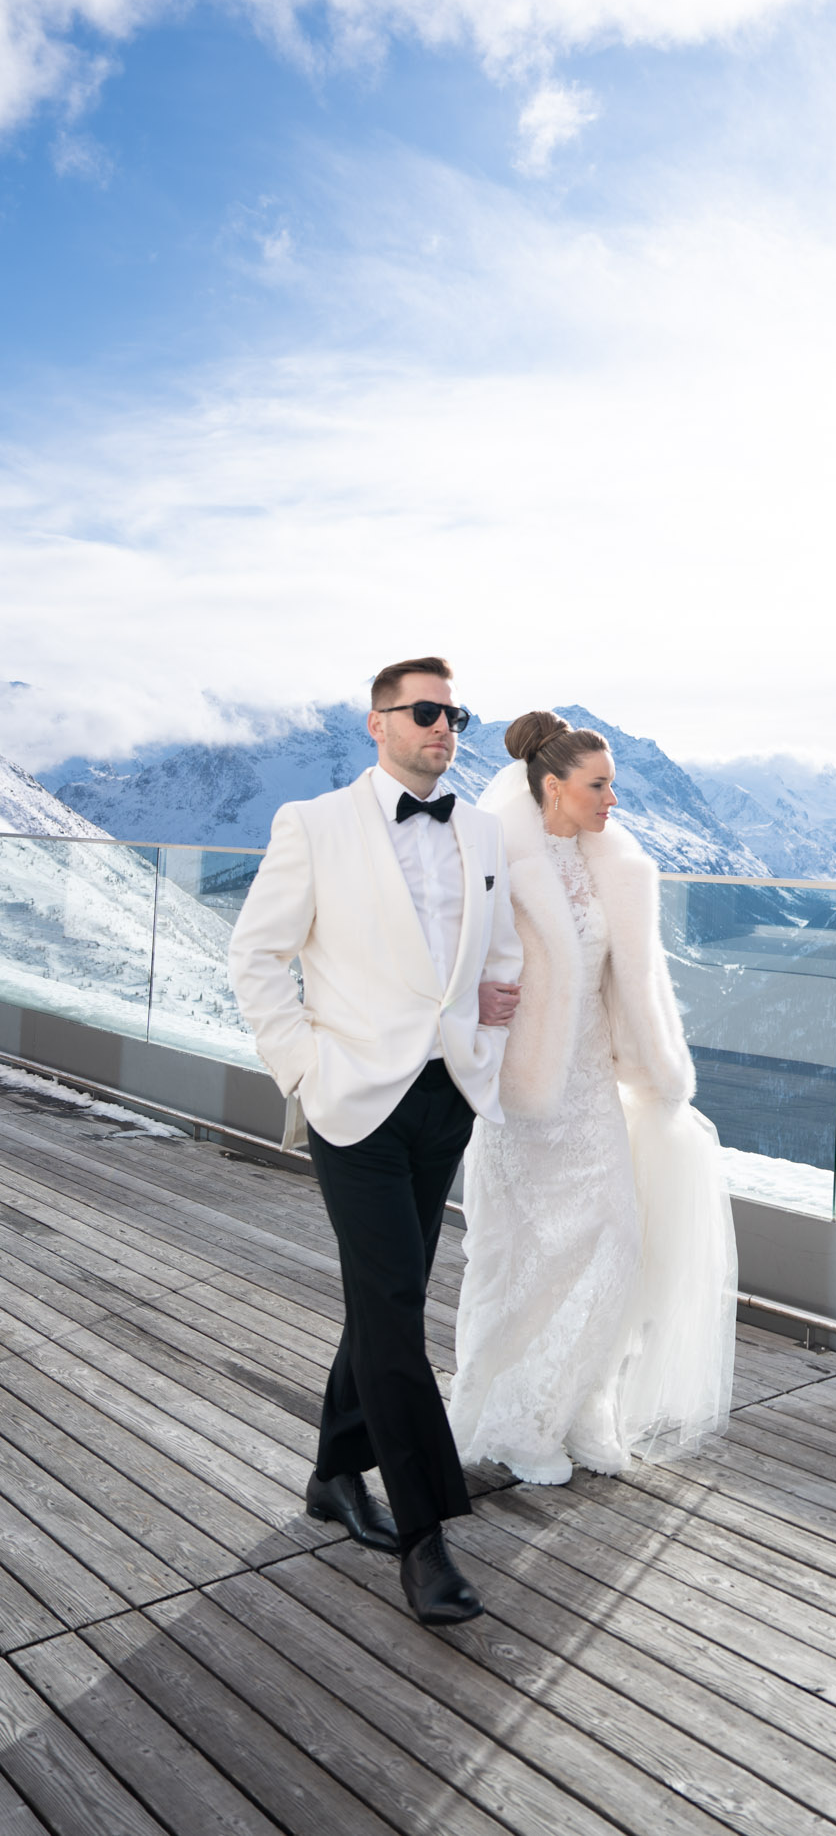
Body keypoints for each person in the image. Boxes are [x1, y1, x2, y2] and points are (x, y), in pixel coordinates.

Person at [228, 656, 522, 1627]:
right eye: (425, 710)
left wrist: (484, 1036)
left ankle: (332, 1473)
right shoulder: (312, 824)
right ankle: (428, 1536)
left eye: (455, 714)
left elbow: (500, 953)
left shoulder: (481, 830)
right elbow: (256, 956)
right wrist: (302, 1068)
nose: (444, 727)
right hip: (352, 1101)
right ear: (378, 722)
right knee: (394, 1305)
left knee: (386, 1293)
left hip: (446, 1096)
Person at [448, 711, 736, 1484]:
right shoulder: (497, 856)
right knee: (530, 1258)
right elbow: (450, 953)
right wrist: (474, 1009)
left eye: (613, 784)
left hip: (592, 1086)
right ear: (553, 786)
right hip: (524, 1094)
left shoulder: (611, 862)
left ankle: (575, 1405)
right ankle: (517, 1423)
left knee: (615, 1243)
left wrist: (656, 1065)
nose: (614, 800)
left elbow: (633, 979)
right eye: (599, 785)